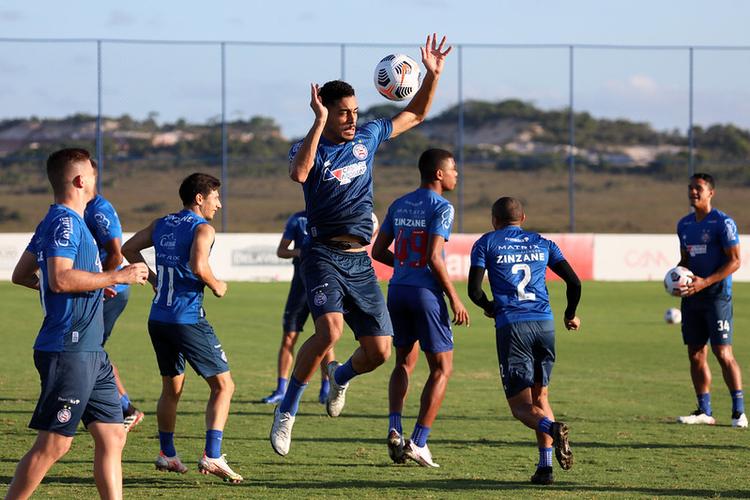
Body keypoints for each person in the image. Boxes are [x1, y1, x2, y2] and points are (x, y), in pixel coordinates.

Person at [270, 33, 453, 457]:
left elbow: (416, 114)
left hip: (359, 260)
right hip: (322, 255)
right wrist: (317, 123)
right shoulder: (307, 146)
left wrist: (432, 75)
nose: (352, 119)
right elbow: (300, 174)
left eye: (354, 112)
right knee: (330, 329)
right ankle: (288, 410)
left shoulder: (368, 137)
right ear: (326, 113)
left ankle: (341, 377)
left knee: (379, 352)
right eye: (342, 114)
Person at [7, 148, 149, 499]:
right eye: (93, 175)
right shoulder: (65, 223)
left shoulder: (59, 221)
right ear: (80, 180)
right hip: (69, 349)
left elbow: (23, 275)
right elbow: (58, 279)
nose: (96, 181)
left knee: (114, 434)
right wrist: (115, 277)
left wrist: (91, 289)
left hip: (92, 351)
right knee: (54, 445)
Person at [121, 173, 243, 483]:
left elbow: (128, 249)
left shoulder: (162, 223)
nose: (219, 203)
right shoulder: (203, 229)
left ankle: (167, 454)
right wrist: (218, 285)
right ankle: (213, 456)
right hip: (186, 319)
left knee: (171, 389)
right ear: (199, 198)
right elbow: (199, 266)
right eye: (215, 197)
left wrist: (152, 279)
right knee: (224, 386)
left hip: (158, 318)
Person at [468, 197, 581, 485]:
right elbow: (575, 282)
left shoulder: (487, 243)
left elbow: (474, 290)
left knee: (520, 407)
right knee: (541, 397)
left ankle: (552, 428)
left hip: (513, 328)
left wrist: (490, 307)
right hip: (545, 325)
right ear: (524, 217)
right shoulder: (543, 242)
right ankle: (545, 468)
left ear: (494, 220)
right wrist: (570, 314)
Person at [371, 148, 469, 467]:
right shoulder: (442, 207)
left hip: (398, 290)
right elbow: (433, 257)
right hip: (425, 294)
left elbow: (378, 250)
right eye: (453, 169)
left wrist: (402, 265)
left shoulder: (399, 203)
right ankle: (420, 442)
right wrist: (454, 297)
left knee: (404, 363)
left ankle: (395, 430)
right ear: (439, 174)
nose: (457, 174)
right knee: (442, 368)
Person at [673, 173, 746, 428]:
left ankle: (739, 412)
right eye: (690, 187)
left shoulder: (722, 223)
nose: (693, 192)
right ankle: (704, 411)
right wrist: (676, 279)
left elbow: (735, 261)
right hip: (693, 297)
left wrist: (706, 281)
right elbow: (686, 261)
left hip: (717, 297)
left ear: (710, 193)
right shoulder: (684, 224)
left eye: (699, 188)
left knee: (723, 353)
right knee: (695, 354)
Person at [85, 184, 145, 431]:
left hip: (109, 291)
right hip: (99, 288)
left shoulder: (98, 209)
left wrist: (104, 281)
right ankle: (124, 407)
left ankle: (126, 408)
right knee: (90, 349)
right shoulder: (84, 208)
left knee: (90, 349)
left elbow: (116, 253)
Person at [262, 210, 334, 405]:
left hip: (323, 287)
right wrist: (301, 252)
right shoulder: (298, 219)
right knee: (288, 337)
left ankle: (326, 390)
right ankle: (280, 390)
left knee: (327, 338)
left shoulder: (330, 216)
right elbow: (281, 250)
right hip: (300, 289)